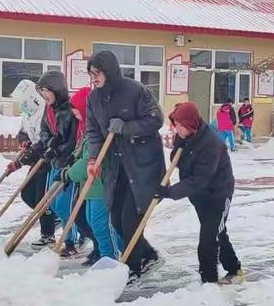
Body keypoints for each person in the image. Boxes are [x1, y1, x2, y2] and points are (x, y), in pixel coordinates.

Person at [86, 50, 165, 284]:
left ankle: (133, 270)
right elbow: (93, 133)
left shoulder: (135, 90)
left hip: (141, 167)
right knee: (117, 220)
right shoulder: (93, 100)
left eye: (97, 73)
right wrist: (93, 159)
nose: (94, 79)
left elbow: (155, 120)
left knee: (131, 220)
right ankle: (149, 255)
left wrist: (126, 128)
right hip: (114, 168)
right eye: (91, 74)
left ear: (109, 71)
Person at [155, 102, 243, 285]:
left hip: (218, 194)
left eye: (180, 124)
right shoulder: (185, 136)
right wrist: (178, 146)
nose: (176, 128)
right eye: (175, 123)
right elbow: (177, 161)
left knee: (208, 238)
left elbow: (199, 179)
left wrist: (170, 192)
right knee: (218, 232)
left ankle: (209, 282)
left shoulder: (212, 144)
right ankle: (234, 268)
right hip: (200, 196)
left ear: (191, 124)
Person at [57, 86, 123, 264]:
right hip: (90, 185)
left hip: (100, 185)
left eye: (77, 112)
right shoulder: (87, 129)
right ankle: (103, 255)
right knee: (92, 222)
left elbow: (89, 159)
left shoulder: (99, 131)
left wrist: (70, 174)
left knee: (102, 225)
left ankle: (111, 257)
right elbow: (82, 152)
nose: (76, 116)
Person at [34, 71, 82, 256]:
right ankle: (69, 230)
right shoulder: (49, 109)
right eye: (41, 91)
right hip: (54, 162)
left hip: (68, 164)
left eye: (46, 90)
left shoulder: (70, 110)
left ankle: (71, 241)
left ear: (57, 90)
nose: (44, 95)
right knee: (51, 203)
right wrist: (49, 143)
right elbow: (44, 129)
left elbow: (73, 140)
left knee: (64, 205)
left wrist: (59, 148)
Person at [6, 79, 58, 247]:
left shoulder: (45, 111)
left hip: (47, 158)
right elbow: (22, 132)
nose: (22, 105)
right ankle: (54, 216)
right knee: (27, 194)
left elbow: (44, 141)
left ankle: (48, 233)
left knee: (41, 197)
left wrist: (20, 163)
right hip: (35, 157)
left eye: (24, 101)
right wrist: (24, 140)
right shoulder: (27, 113)